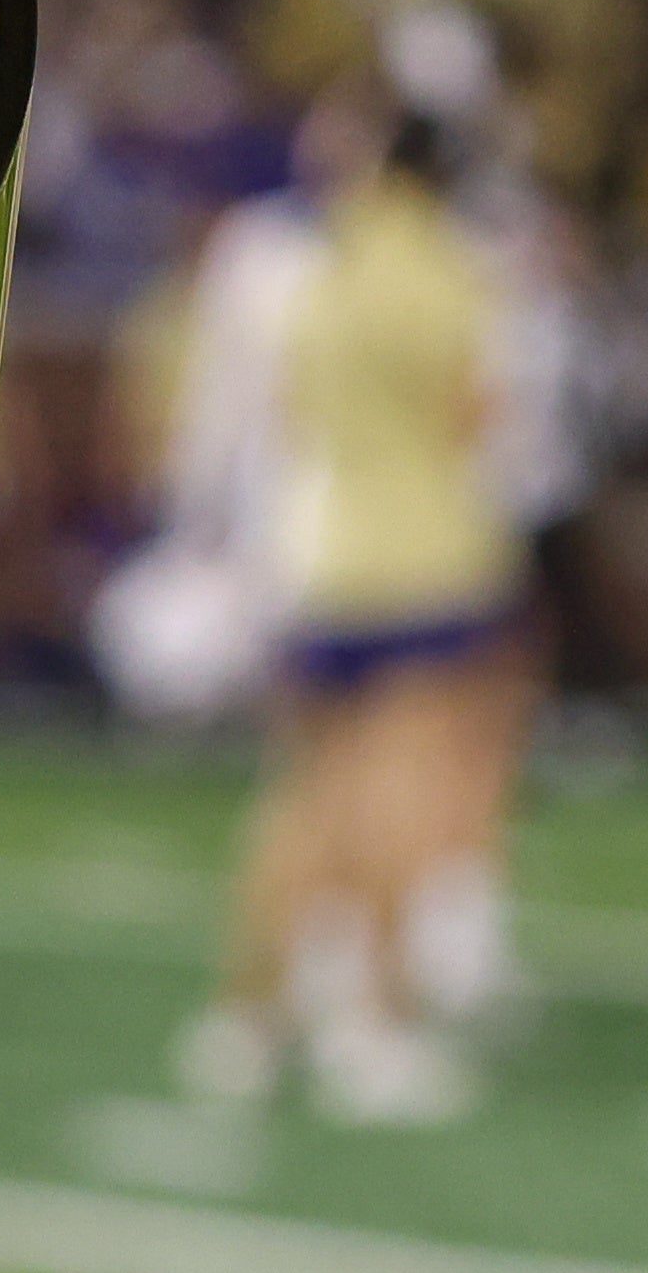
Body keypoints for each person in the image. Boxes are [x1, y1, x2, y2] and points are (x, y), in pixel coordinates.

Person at [178, 111, 526, 1125]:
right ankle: (372, 1022)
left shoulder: (313, 265)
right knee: (398, 796)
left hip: (314, 551)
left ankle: (249, 1014)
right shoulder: (453, 272)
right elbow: (479, 420)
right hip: (424, 557)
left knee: (300, 794)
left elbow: (285, 410)